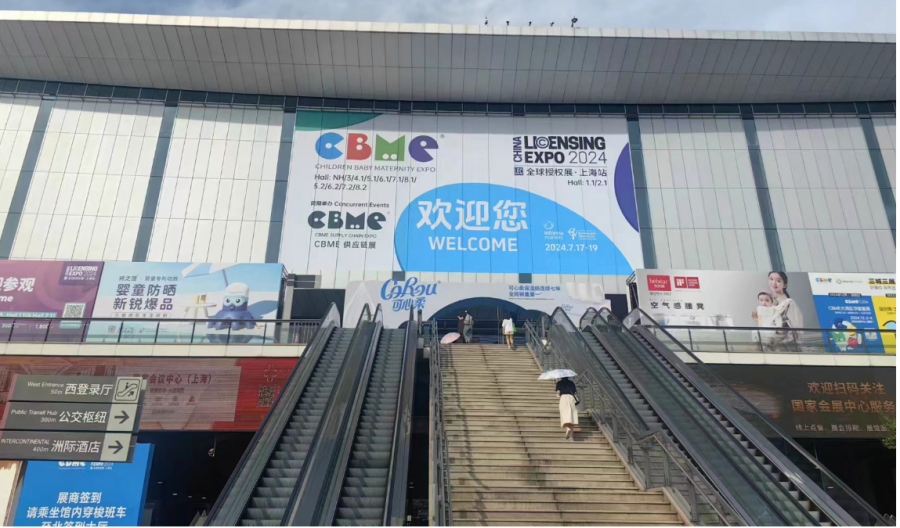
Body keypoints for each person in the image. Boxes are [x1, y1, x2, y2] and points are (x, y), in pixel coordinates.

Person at [752, 271, 805, 350]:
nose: (774, 283)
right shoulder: (768, 301)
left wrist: (781, 331)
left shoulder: (789, 303)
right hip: (770, 343)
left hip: (784, 345)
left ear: (785, 285)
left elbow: (797, 327)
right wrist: (758, 319)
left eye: (778, 281)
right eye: (771, 279)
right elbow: (767, 322)